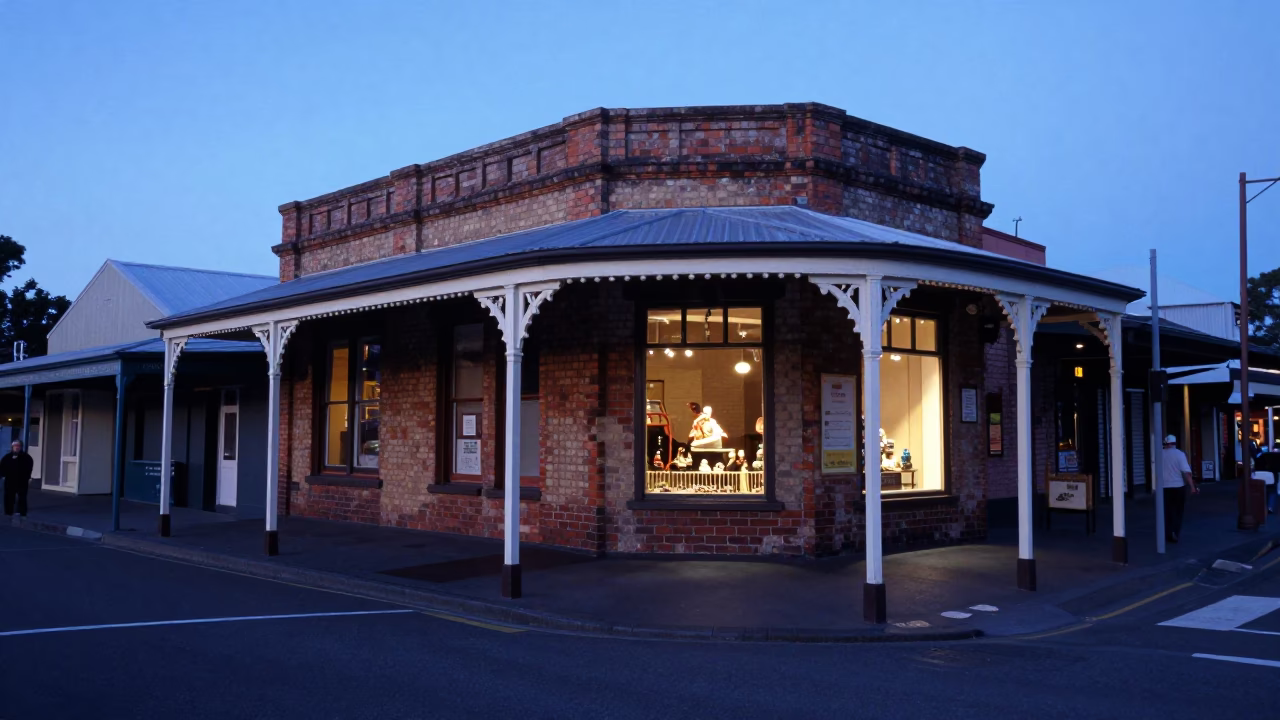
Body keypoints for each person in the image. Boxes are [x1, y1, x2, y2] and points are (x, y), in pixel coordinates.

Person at [1160, 434, 1197, 543]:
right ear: (1175, 443)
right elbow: (1186, 472)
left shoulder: (1160, 454)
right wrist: (1192, 486)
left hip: (1165, 487)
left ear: (1166, 443)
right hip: (1178, 486)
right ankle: (1175, 532)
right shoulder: (1180, 454)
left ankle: (1168, 532)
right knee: (1178, 511)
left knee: (1167, 511)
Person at [2, 440, 35, 518]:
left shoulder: (26, 457)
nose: (16, 447)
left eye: (18, 446)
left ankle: (22, 512)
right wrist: (3, 475)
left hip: (21, 481)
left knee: (22, 497)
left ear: (21, 447)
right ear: (12, 447)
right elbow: (2, 467)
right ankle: (8, 512)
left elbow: (29, 468)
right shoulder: (7, 457)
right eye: (15, 446)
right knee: (9, 496)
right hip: (9, 480)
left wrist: (27, 477)